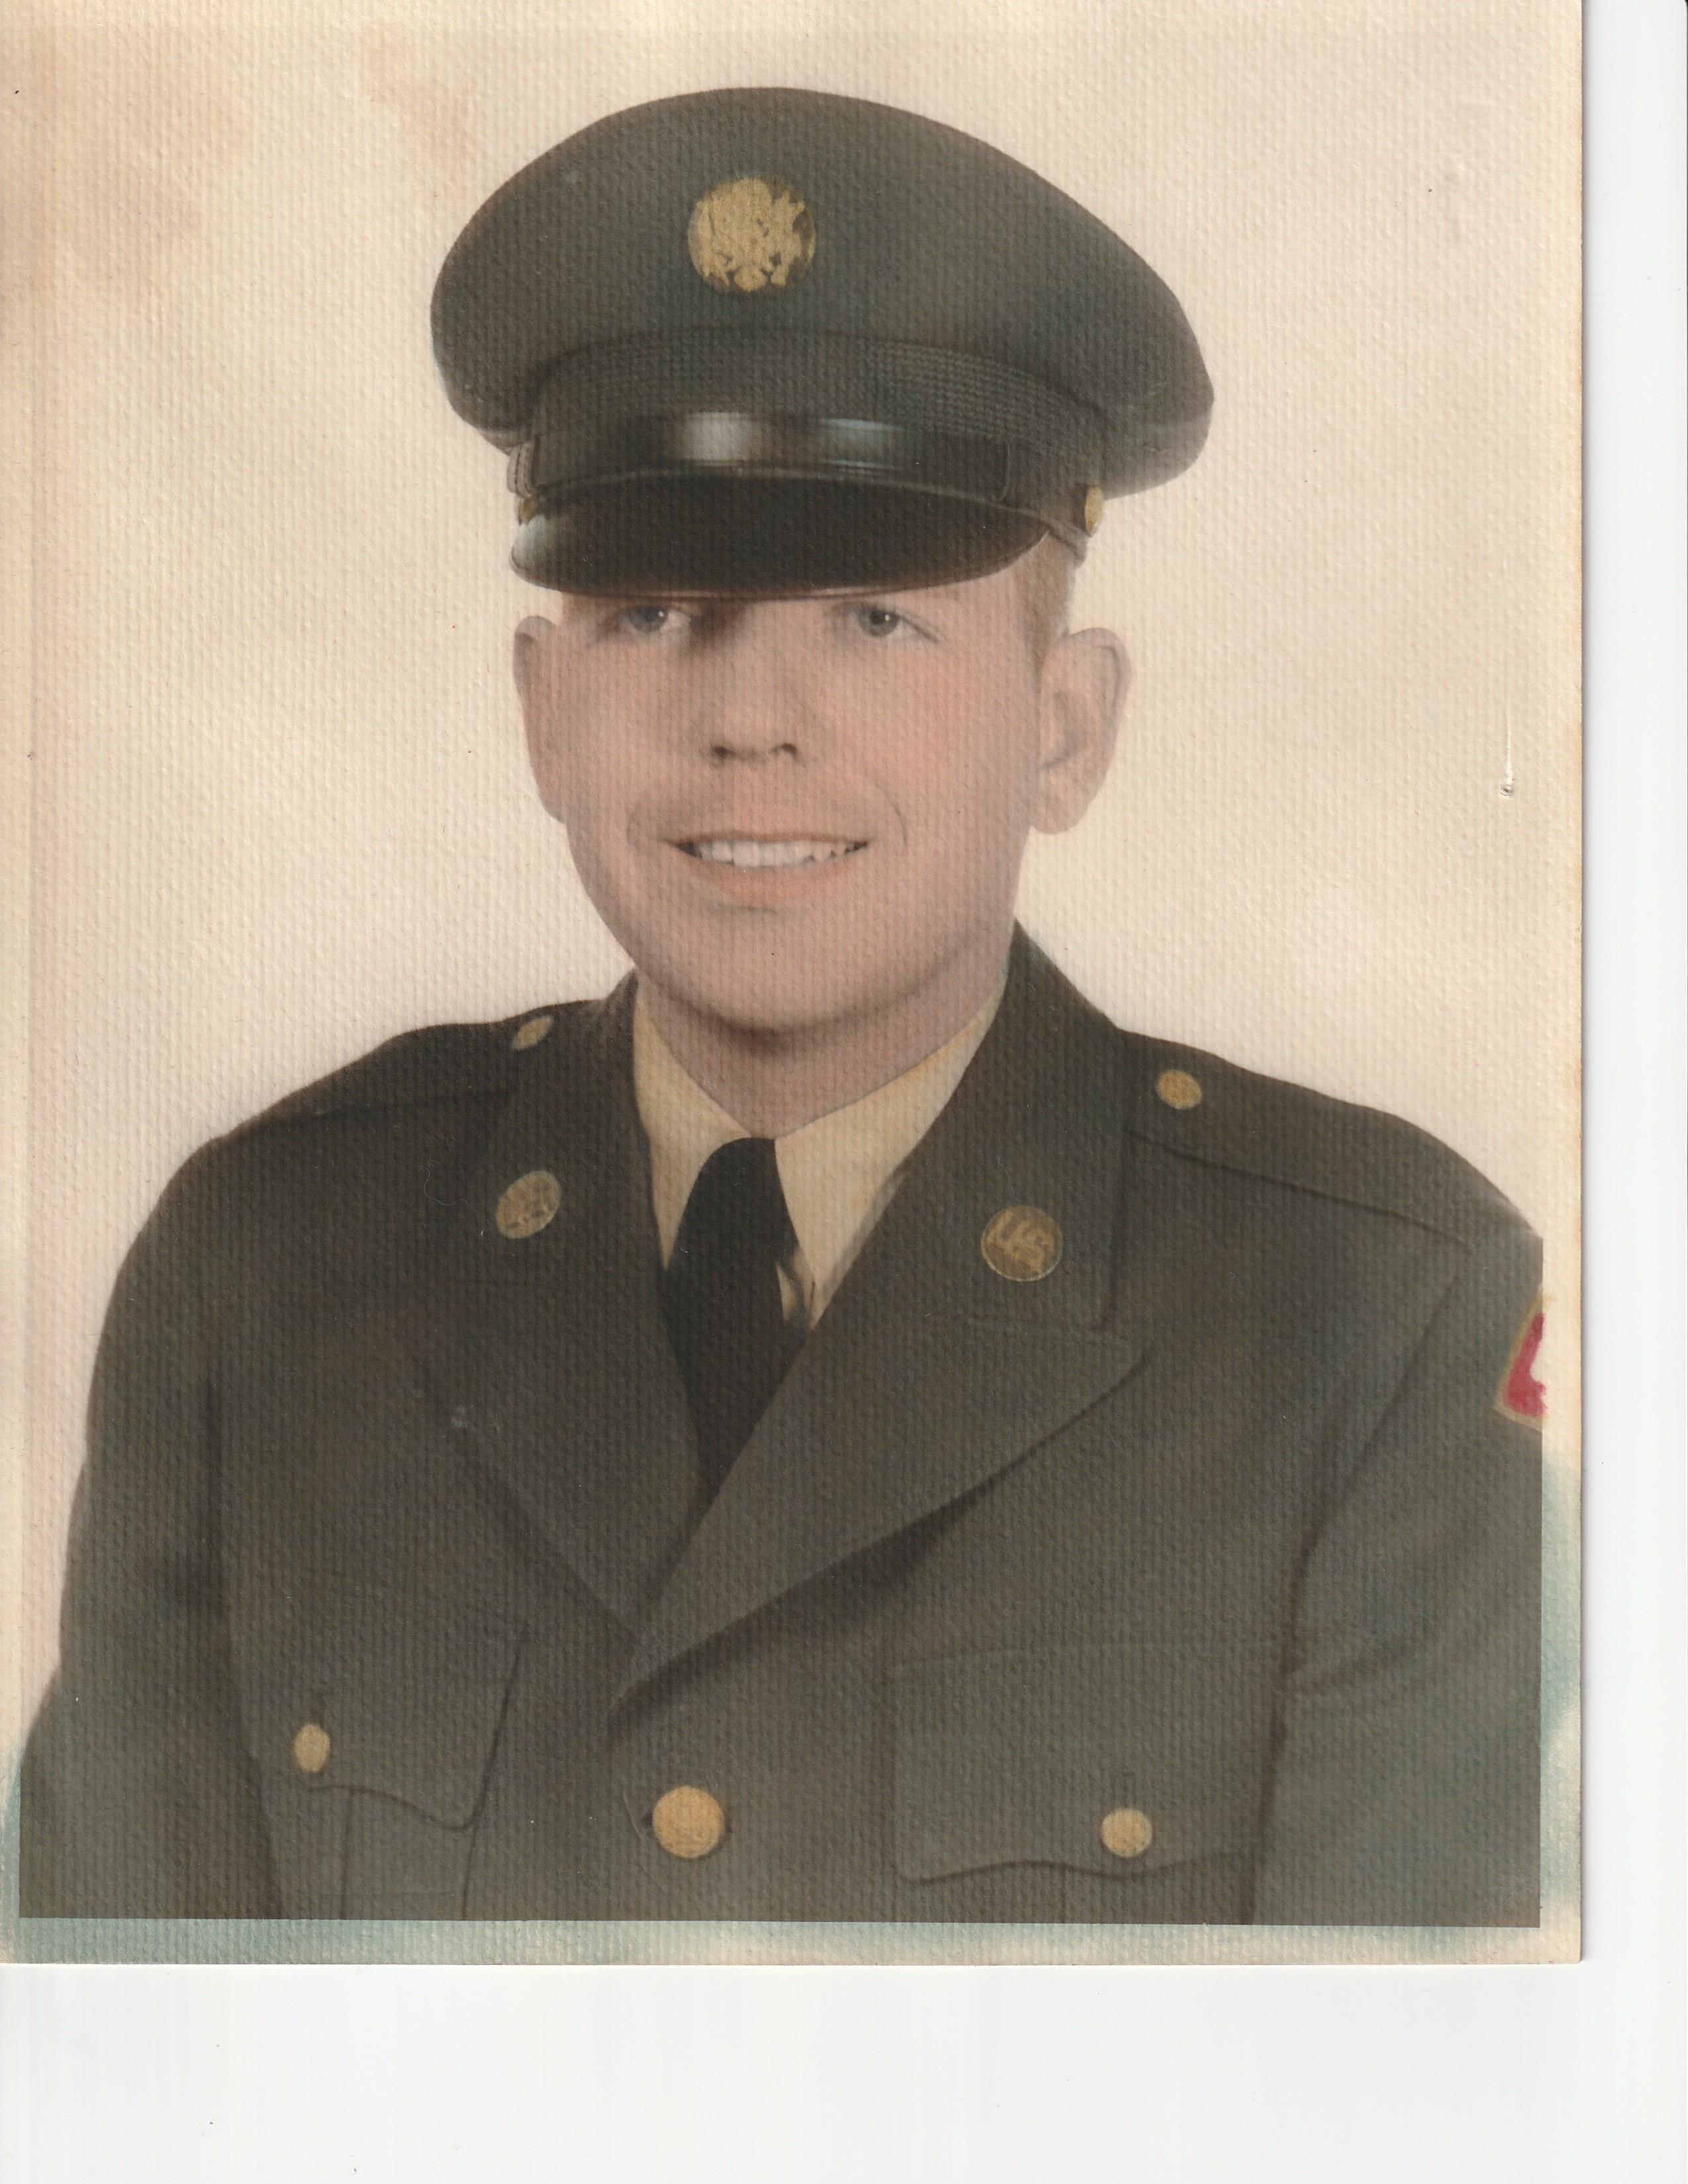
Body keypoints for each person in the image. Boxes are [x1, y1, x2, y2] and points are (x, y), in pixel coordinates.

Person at [20, 89, 1542, 1927]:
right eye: (655, 612)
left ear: (1064, 728)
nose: (750, 716)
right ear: (541, 711)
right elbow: (112, 2076)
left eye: (874, 615)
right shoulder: (263, 1268)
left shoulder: (1376, 1312)